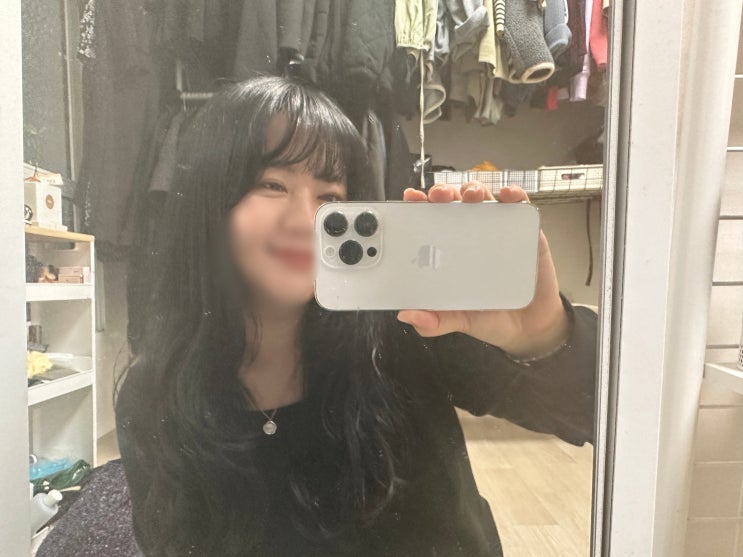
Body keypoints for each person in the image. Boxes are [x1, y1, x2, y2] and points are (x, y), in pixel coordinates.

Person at [115, 75, 598, 556]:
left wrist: (545, 335)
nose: (305, 221)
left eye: (330, 198)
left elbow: (596, 416)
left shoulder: (411, 324)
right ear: (208, 200)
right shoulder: (154, 394)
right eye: (272, 184)